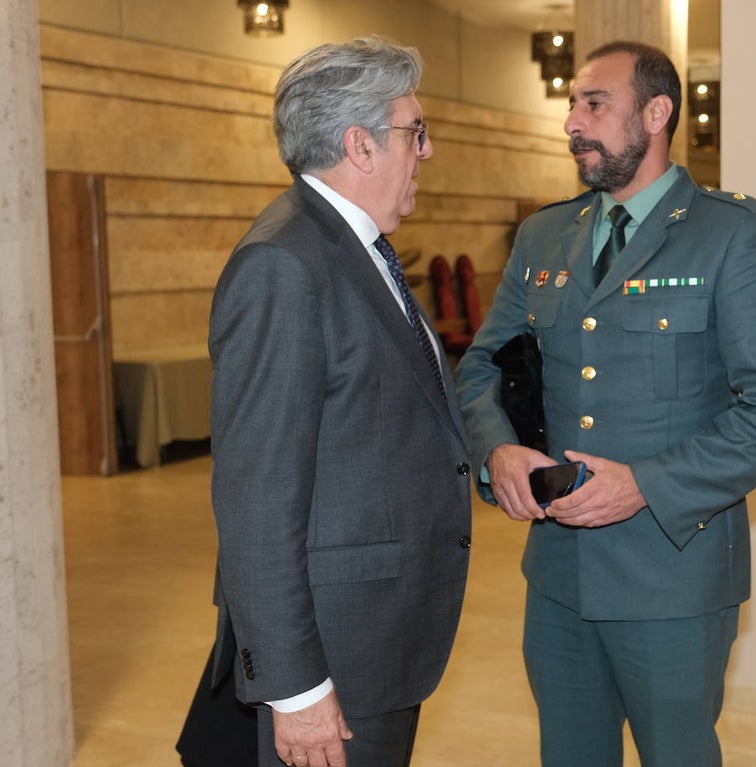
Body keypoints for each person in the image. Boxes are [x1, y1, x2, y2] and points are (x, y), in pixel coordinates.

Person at [455, 40, 756, 766]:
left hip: (672, 578)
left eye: (595, 104)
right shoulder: (544, 235)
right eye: (572, 106)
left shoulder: (731, 235)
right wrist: (495, 451)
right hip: (558, 572)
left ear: (658, 113)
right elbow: (480, 367)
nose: (572, 123)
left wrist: (645, 484)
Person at [180, 36, 473, 767]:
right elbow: (256, 497)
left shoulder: (353, 249)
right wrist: (298, 687)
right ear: (360, 146)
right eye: (415, 130)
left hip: (377, 638)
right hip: (333, 659)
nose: (427, 151)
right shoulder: (284, 264)